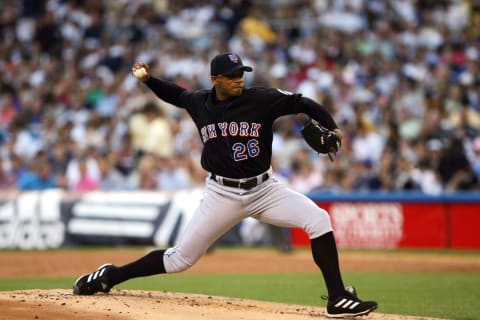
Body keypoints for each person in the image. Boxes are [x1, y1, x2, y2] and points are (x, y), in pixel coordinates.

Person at [72, 52, 378, 318]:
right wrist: (149, 79)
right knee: (180, 260)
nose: (238, 80)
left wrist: (333, 128)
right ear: (215, 79)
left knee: (319, 219)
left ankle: (337, 298)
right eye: (231, 76)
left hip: (264, 190)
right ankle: (110, 276)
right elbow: (175, 95)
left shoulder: (261, 99)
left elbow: (304, 103)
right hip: (222, 193)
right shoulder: (200, 103)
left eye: (241, 74)